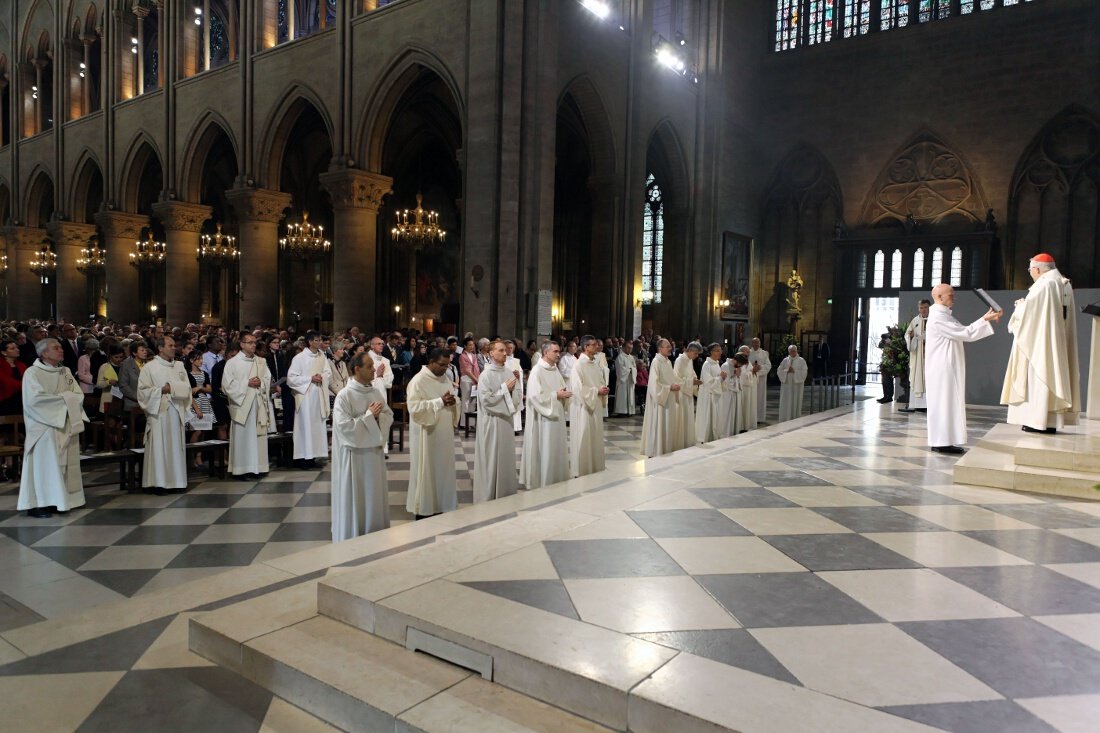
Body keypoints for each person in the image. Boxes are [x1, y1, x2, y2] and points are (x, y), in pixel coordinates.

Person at [1002, 253, 1081, 434]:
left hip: (1040, 342)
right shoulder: (1064, 283)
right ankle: (1051, 421)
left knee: (1039, 377)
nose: (1030, 273)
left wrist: (1020, 306)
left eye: (1030, 270)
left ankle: (1037, 421)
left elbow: (1029, 314)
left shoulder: (1043, 284)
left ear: (1037, 269)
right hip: (1057, 340)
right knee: (1052, 375)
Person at [925, 283, 1001, 454]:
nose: (954, 298)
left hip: (945, 367)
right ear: (939, 297)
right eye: (951, 295)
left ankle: (944, 440)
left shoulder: (943, 315)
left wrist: (984, 318)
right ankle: (941, 442)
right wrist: (985, 319)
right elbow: (965, 333)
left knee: (946, 404)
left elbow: (962, 331)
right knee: (944, 404)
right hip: (943, 369)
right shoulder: (938, 317)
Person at [18, 339, 88, 518]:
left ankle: (57, 500)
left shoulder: (65, 371)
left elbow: (78, 394)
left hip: (64, 423)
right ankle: (37, 504)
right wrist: (66, 399)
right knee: (44, 466)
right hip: (44, 428)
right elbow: (35, 400)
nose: (61, 350)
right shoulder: (32, 373)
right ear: (44, 353)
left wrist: (63, 400)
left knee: (62, 466)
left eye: (60, 347)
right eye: (56, 348)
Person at [331, 351, 393, 540]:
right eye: (369, 367)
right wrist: (369, 416)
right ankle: (353, 534)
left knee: (373, 496)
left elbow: (388, 416)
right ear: (357, 369)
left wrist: (377, 417)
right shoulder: (344, 396)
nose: (374, 369)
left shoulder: (374, 392)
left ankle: (375, 534)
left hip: (373, 454)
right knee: (356, 498)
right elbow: (345, 429)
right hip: (355, 457)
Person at [406, 348, 460, 518]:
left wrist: (453, 402)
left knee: (443, 469)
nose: (445, 369)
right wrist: (439, 401)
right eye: (442, 365)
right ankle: (425, 508)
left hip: (444, 434)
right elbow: (414, 408)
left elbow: (453, 400)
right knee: (427, 470)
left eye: (447, 365)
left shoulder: (445, 379)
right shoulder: (418, 381)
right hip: (427, 434)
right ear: (431, 362)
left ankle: (443, 503)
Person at [138, 335, 193, 494]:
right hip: (159, 412)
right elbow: (142, 392)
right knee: (160, 447)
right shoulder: (150, 367)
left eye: (174, 345)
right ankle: (160, 483)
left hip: (176, 411)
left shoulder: (180, 366)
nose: (173, 348)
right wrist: (161, 390)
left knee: (175, 447)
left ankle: (177, 481)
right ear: (160, 348)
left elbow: (187, 388)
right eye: (170, 345)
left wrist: (173, 388)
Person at [474, 340, 521, 503]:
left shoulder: (509, 373)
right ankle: (488, 494)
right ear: (491, 353)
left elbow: (517, 397)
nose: (505, 353)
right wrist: (504, 390)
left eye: (505, 350)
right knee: (491, 457)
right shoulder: (485, 375)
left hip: (506, 421)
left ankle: (505, 492)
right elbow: (486, 401)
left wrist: (514, 388)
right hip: (491, 422)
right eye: (500, 350)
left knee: (505, 456)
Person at [521, 341, 571, 490]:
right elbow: (534, 396)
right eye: (555, 351)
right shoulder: (537, 371)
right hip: (544, 418)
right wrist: (556, 394)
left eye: (559, 351)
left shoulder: (554, 370)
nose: (558, 354)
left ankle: (556, 476)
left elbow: (561, 387)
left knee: (556, 446)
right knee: (545, 446)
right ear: (545, 353)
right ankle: (543, 478)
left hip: (557, 415)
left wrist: (563, 393)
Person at [223, 333, 274, 479]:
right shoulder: (232, 363)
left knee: (258, 435)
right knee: (243, 437)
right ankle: (241, 470)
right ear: (242, 344)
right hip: (242, 405)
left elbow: (267, 378)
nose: (253, 345)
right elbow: (227, 386)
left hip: (258, 403)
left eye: (254, 342)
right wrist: (247, 383)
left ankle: (258, 467)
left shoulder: (261, 361)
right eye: (250, 342)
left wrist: (261, 383)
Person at [287, 331, 332, 468]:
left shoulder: (322, 357)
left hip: (319, 395)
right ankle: (303, 458)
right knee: (305, 426)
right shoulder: (299, 358)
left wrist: (322, 377)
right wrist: (310, 378)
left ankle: (313, 456)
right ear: (310, 342)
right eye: (317, 340)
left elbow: (328, 373)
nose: (320, 343)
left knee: (317, 427)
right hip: (306, 396)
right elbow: (291, 378)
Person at [569, 335, 610, 477]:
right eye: (593, 345)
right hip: (584, 407)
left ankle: (595, 466)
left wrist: (603, 389)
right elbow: (577, 388)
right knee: (584, 435)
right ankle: (582, 468)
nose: (596, 347)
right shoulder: (579, 364)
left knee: (595, 435)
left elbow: (599, 381)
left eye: (596, 344)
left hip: (596, 404)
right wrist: (596, 391)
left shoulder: (594, 364)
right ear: (585, 347)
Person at [641, 338, 681, 457]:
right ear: (660, 349)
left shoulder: (668, 361)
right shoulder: (656, 362)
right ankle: (656, 450)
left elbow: (672, 378)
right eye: (667, 346)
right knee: (659, 423)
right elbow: (654, 384)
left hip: (669, 398)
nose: (670, 348)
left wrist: (676, 385)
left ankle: (666, 447)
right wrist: (669, 388)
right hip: (660, 400)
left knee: (668, 424)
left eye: (670, 346)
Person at [903, 300, 931, 412]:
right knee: (918, 377)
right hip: (918, 356)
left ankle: (930, 405)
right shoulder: (915, 321)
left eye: (925, 307)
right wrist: (911, 336)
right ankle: (918, 404)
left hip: (930, 355)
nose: (923, 310)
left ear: (929, 308)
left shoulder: (934, 320)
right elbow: (907, 334)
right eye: (921, 308)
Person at [695, 343, 727, 442]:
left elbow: (717, 379)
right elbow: (708, 382)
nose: (720, 352)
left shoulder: (716, 363)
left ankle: (714, 434)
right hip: (708, 395)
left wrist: (722, 378)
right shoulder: (707, 364)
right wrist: (720, 378)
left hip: (715, 395)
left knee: (715, 417)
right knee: (708, 417)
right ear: (711, 352)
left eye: (720, 350)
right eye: (717, 350)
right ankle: (705, 436)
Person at [673, 342, 702, 448]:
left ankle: (687, 441)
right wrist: (691, 382)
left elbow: (692, 374)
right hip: (681, 394)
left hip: (688, 393)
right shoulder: (679, 360)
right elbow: (676, 379)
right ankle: (680, 442)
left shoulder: (689, 361)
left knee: (688, 417)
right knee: (681, 417)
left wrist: (695, 380)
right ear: (689, 350)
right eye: (695, 353)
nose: (696, 356)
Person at [777, 344, 808, 422]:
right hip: (787, 385)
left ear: (796, 351)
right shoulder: (785, 360)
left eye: (794, 351)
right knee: (786, 401)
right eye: (791, 351)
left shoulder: (801, 360)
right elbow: (779, 371)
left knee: (795, 401)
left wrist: (795, 371)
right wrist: (786, 371)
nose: (792, 352)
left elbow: (804, 372)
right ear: (789, 351)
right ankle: (785, 417)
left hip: (796, 386)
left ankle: (795, 417)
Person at [0, 340, 28, 416]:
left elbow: (28, 379)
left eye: (17, 347)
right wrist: (26, 385)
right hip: (5, 400)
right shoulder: (1, 365)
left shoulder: (21, 364)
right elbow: (6, 382)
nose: (17, 350)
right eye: (12, 348)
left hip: (22, 399)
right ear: (4, 353)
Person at [504, 339, 525, 433]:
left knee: (516, 406)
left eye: (511, 348)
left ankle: (516, 427)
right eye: (508, 348)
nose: (510, 350)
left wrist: (519, 375)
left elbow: (520, 372)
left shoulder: (516, 361)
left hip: (516, 388)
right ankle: (508, 427)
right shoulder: (502, 360)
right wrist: (511, 374)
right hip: (507, 387)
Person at [747, 338, 771, 423]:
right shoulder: (748, 352)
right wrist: (752, 368)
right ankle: (750, 417)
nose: (756, 344)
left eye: (758, 342)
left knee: (760, 397)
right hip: (750, 378)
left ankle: (759, 418)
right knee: (751, 396)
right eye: (754, 342)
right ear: (752, 343)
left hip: (761, 380)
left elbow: (768, 365)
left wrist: (760, 368)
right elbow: (744, 364)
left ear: (760, 343)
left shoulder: (764, 353)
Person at [614, 341, 638, 416]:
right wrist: (629, 370)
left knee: (630, 395)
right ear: (623, 347)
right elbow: (620, 369)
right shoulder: (620, 357)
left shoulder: (631, 357)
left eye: (631, 348)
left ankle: (629, 411)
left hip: (630, 379)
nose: (629, 350)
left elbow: (635, 368)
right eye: (628, 348)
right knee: (622, 396)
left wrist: (632, 370)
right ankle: (621, 411)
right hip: (623, 381)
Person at [721, 352, 742, 436]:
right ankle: (725, 433)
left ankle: (731, 431)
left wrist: (737, 376)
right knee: (727, 414)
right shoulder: (726, 366)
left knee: (732, 414)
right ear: (736, 360)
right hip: (726, 393)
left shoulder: (733, 366)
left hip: (732, 393)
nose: (740, 366)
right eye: (740, 364)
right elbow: (726, 383)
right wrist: (736, 376)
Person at [737, 348, 757, 432]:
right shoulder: (738, 362)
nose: (748, 353)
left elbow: (752, 373)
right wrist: (751, 372)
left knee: (747, 406)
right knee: (741, 407)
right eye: (746, 352)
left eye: (748, 352)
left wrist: (754, 371)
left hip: (748, 389)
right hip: (741, 388)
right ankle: (740, 425)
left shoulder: (748, 363)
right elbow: (741, 374)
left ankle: (746, 425)